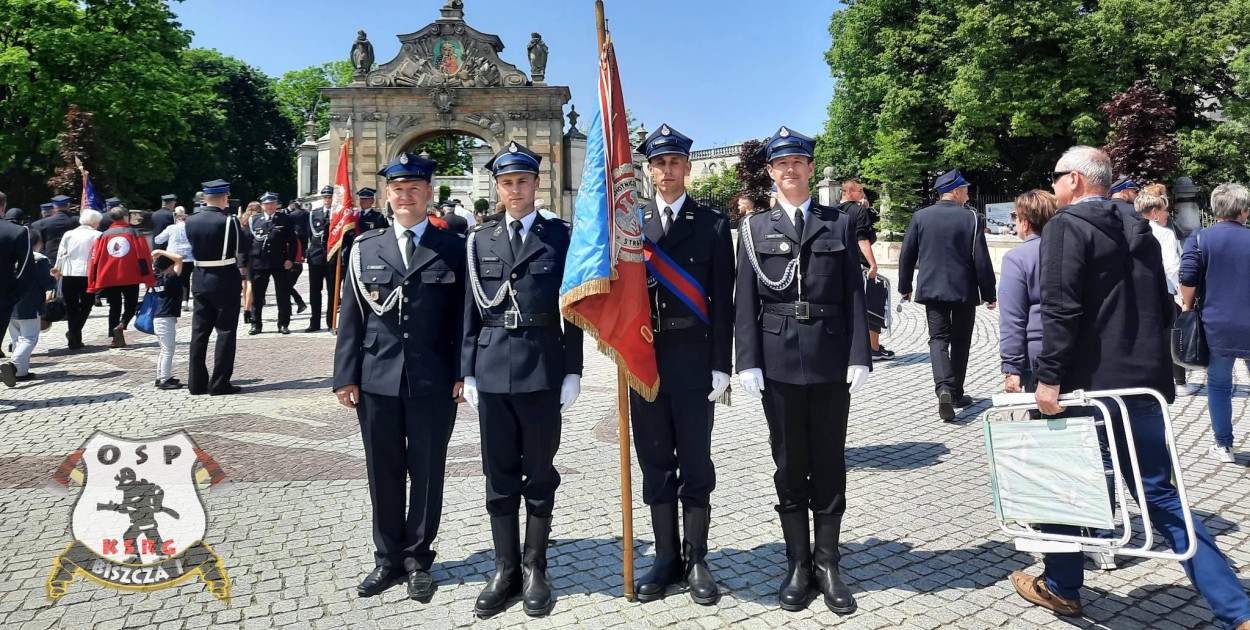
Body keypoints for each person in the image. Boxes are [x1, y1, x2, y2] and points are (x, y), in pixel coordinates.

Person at [1010, 146, 1250, 630]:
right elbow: (1163, 304)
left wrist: (1049, 378)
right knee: (1161, 495)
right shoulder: (1141, 227)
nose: (1053, 184)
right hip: (1141, 383)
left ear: (1075, 180)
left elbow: (1061, 308)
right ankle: (1238, 611)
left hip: (1086, 386)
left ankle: (1061, 587)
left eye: (1056, 176)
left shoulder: (1065, 226)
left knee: (1061, 480)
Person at [734, 127, 870, 615]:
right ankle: (797, 562)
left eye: (797, 162)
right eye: (781, 163)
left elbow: (853, 293)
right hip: (778, 362)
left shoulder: (839, 223)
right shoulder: (754, 229)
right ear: (771, 172)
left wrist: (859, 353)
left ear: (810, 168)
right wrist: (747, 360)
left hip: (830, 357)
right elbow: (744, 299)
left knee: (830, 461)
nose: (789, 170)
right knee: (790, 464)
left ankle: (828, 562)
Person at [332, 152, 466, 602]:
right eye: (397, 190)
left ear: (429, 194)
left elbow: (463, 318)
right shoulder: (364, 247)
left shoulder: (454, 247)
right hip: (376, 378)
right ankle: (387, 558)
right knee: (382, 470)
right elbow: (351, 317)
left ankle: (417, 559)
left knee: (427, 472)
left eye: (413, 189)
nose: (405, 197)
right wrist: (345, 376)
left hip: (433, 379)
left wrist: (462, 373)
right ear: (388, 196)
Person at [462, 142, 583, 618]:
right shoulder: (479, 239)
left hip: (542, 367)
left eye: (523, 181)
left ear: (536, 184)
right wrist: (467, 371)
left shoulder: (561, 237)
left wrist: (573, 369)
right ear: (498, 187)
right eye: (507, 182)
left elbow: (574, 307)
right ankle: (504, 567)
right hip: (491, 367)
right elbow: (469, 311)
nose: (515, 189)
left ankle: (535, 567)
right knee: (498, 474)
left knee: (540, 471)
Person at [628, 124, 732, 605]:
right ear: (648, 171)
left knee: (694, 462)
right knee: (654, 462)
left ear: (687, 169)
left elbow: (724, 301)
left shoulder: (711, 224)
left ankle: (696, 559)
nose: (666, 171)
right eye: (659, 164)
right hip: (645, 359)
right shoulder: (630, 224)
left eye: (674, 163)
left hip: (693, 359)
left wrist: (722, 365)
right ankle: (665, 557)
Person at [898, 168, 997, 421]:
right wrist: (989, 292)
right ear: (955, 191)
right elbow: (981, 258)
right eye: (965, 190)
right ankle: (956, 393)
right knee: (961, 341)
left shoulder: (920, 216)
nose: (968, 194)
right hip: (964, 289)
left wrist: (905, 286)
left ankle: (943, 388)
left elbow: (907, 253)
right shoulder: (971, 218)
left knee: (938, 339)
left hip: (932, 289)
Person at [1180, 183, 1250, 464]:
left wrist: (1187, 307)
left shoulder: (1199, 239)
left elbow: (1188, 277)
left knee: (1219, 386)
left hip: (1217, 324)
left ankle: (1224, 445)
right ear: (1243, 210)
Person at [184, 179, 246, 396]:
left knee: (199, 333)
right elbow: (242, 246)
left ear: (205, 197)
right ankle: (220, 383)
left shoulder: (190, 220)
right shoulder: (229, 221)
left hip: (200, 277)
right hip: (224, 278)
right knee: (226, 332)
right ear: (225, 197)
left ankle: (196, 383)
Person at [998, 190, 1057, 395]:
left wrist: (1011, 366)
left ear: (1025, 223)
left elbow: (1012, 318)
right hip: (1074, 352)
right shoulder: (1071, 250)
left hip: (1036, 357)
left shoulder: (1016, 258)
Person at [1136, 192, 1190, 394]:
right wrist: (1183, 292)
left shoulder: (1131, 230)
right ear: (1155, 212)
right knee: (1171, 336)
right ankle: (1180, 383)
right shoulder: (1164, 234)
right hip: (1163, 290)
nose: (1168, 214)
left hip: (1139, 292)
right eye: (1165, 210)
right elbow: (1172, 267)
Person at [838, 178, 893, 360]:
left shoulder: (834, 211)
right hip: (860, 265)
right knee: (874, 300)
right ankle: (873, 347)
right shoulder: (858, 211)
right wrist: (873, 264)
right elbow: (862, 239)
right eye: (859, 190)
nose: (862, 193)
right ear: (848, 192)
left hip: (840, 265)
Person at [90, 207, 155, 348]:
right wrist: (149, 278)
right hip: (131, 275)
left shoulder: (103, 235)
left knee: (114, 306)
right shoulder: (134, 233)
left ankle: (114, 339)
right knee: (131, 304)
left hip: (109, 276)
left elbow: (95, 260)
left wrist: (93, 281)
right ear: (126, 217)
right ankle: (122, 324)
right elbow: (144, 257)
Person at [1, 229, 54, 386]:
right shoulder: (39, 259)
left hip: (9, 304)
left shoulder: (9, 256)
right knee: (29, 338)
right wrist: (54, 279)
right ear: (37, 244)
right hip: (29, 304)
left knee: (16, 338)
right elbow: (47, 283)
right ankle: (13, 364)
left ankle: (20, 372)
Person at [245, 192, 298, 335]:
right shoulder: (254, 220)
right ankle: (256, 324)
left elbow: (293, 241)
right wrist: (243, 263)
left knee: (283, 295)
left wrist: (290, 259)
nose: (270, 206)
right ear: (262, 205)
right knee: (257, 296)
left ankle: (283, 324)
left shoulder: (285, 219)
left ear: (276, 204)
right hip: (259, 262)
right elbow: (247, 242)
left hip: (279, 262)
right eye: (267, 204)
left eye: (272, 203)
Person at [51, 210, 103, 350]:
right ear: (94, 222)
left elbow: (61, 254)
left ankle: (74, 338)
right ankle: (74, 333)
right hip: (87, 274)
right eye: (98, 222)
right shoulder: (97, 235)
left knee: (71, 306)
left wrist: (57, 271)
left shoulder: (69, 234)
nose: (99, 224)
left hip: (68, 273)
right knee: (87, 305)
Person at [148, 250, 185, 390]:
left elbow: (158, 264)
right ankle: (165, 379)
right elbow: (179, 258)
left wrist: (156, 256)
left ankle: (161, 376)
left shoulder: (156, 278)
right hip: (166, 318)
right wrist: (160, 251)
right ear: (169, 267)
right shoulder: (171, 278)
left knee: (164, 349)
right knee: (168, 350)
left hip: (158, 317)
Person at [302, 197, 333, 332]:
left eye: (330, 197)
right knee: (315, 291)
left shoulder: (338, 213)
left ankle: (331, 322)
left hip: (332, 257)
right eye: (325, 197)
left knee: (332, 291)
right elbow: (309, 235)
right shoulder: (314, 214)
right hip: (316, 256)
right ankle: (314, 323)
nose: (328, 200)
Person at [155, 207, 195, 301]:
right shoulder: (191, 228)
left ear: (177, 219)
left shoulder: (171, 227)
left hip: (173, 256)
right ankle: (185, 300)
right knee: (186, 279)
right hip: (189, 257)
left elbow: (158, 240)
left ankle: (173, 297)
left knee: (172, 277)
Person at [30, 195, 78, 267]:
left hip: (50, 260)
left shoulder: (41, 223)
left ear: (54, 207)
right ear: (68, 205)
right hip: (72, 260)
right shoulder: (77, 221)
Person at [237, 202, 258, 324]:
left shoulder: (243, 222)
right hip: (253, 256)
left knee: (245, 284)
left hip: (242, 255)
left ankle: (246, 305)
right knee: (251, 283)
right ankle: (248, 309)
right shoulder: (256, 221)